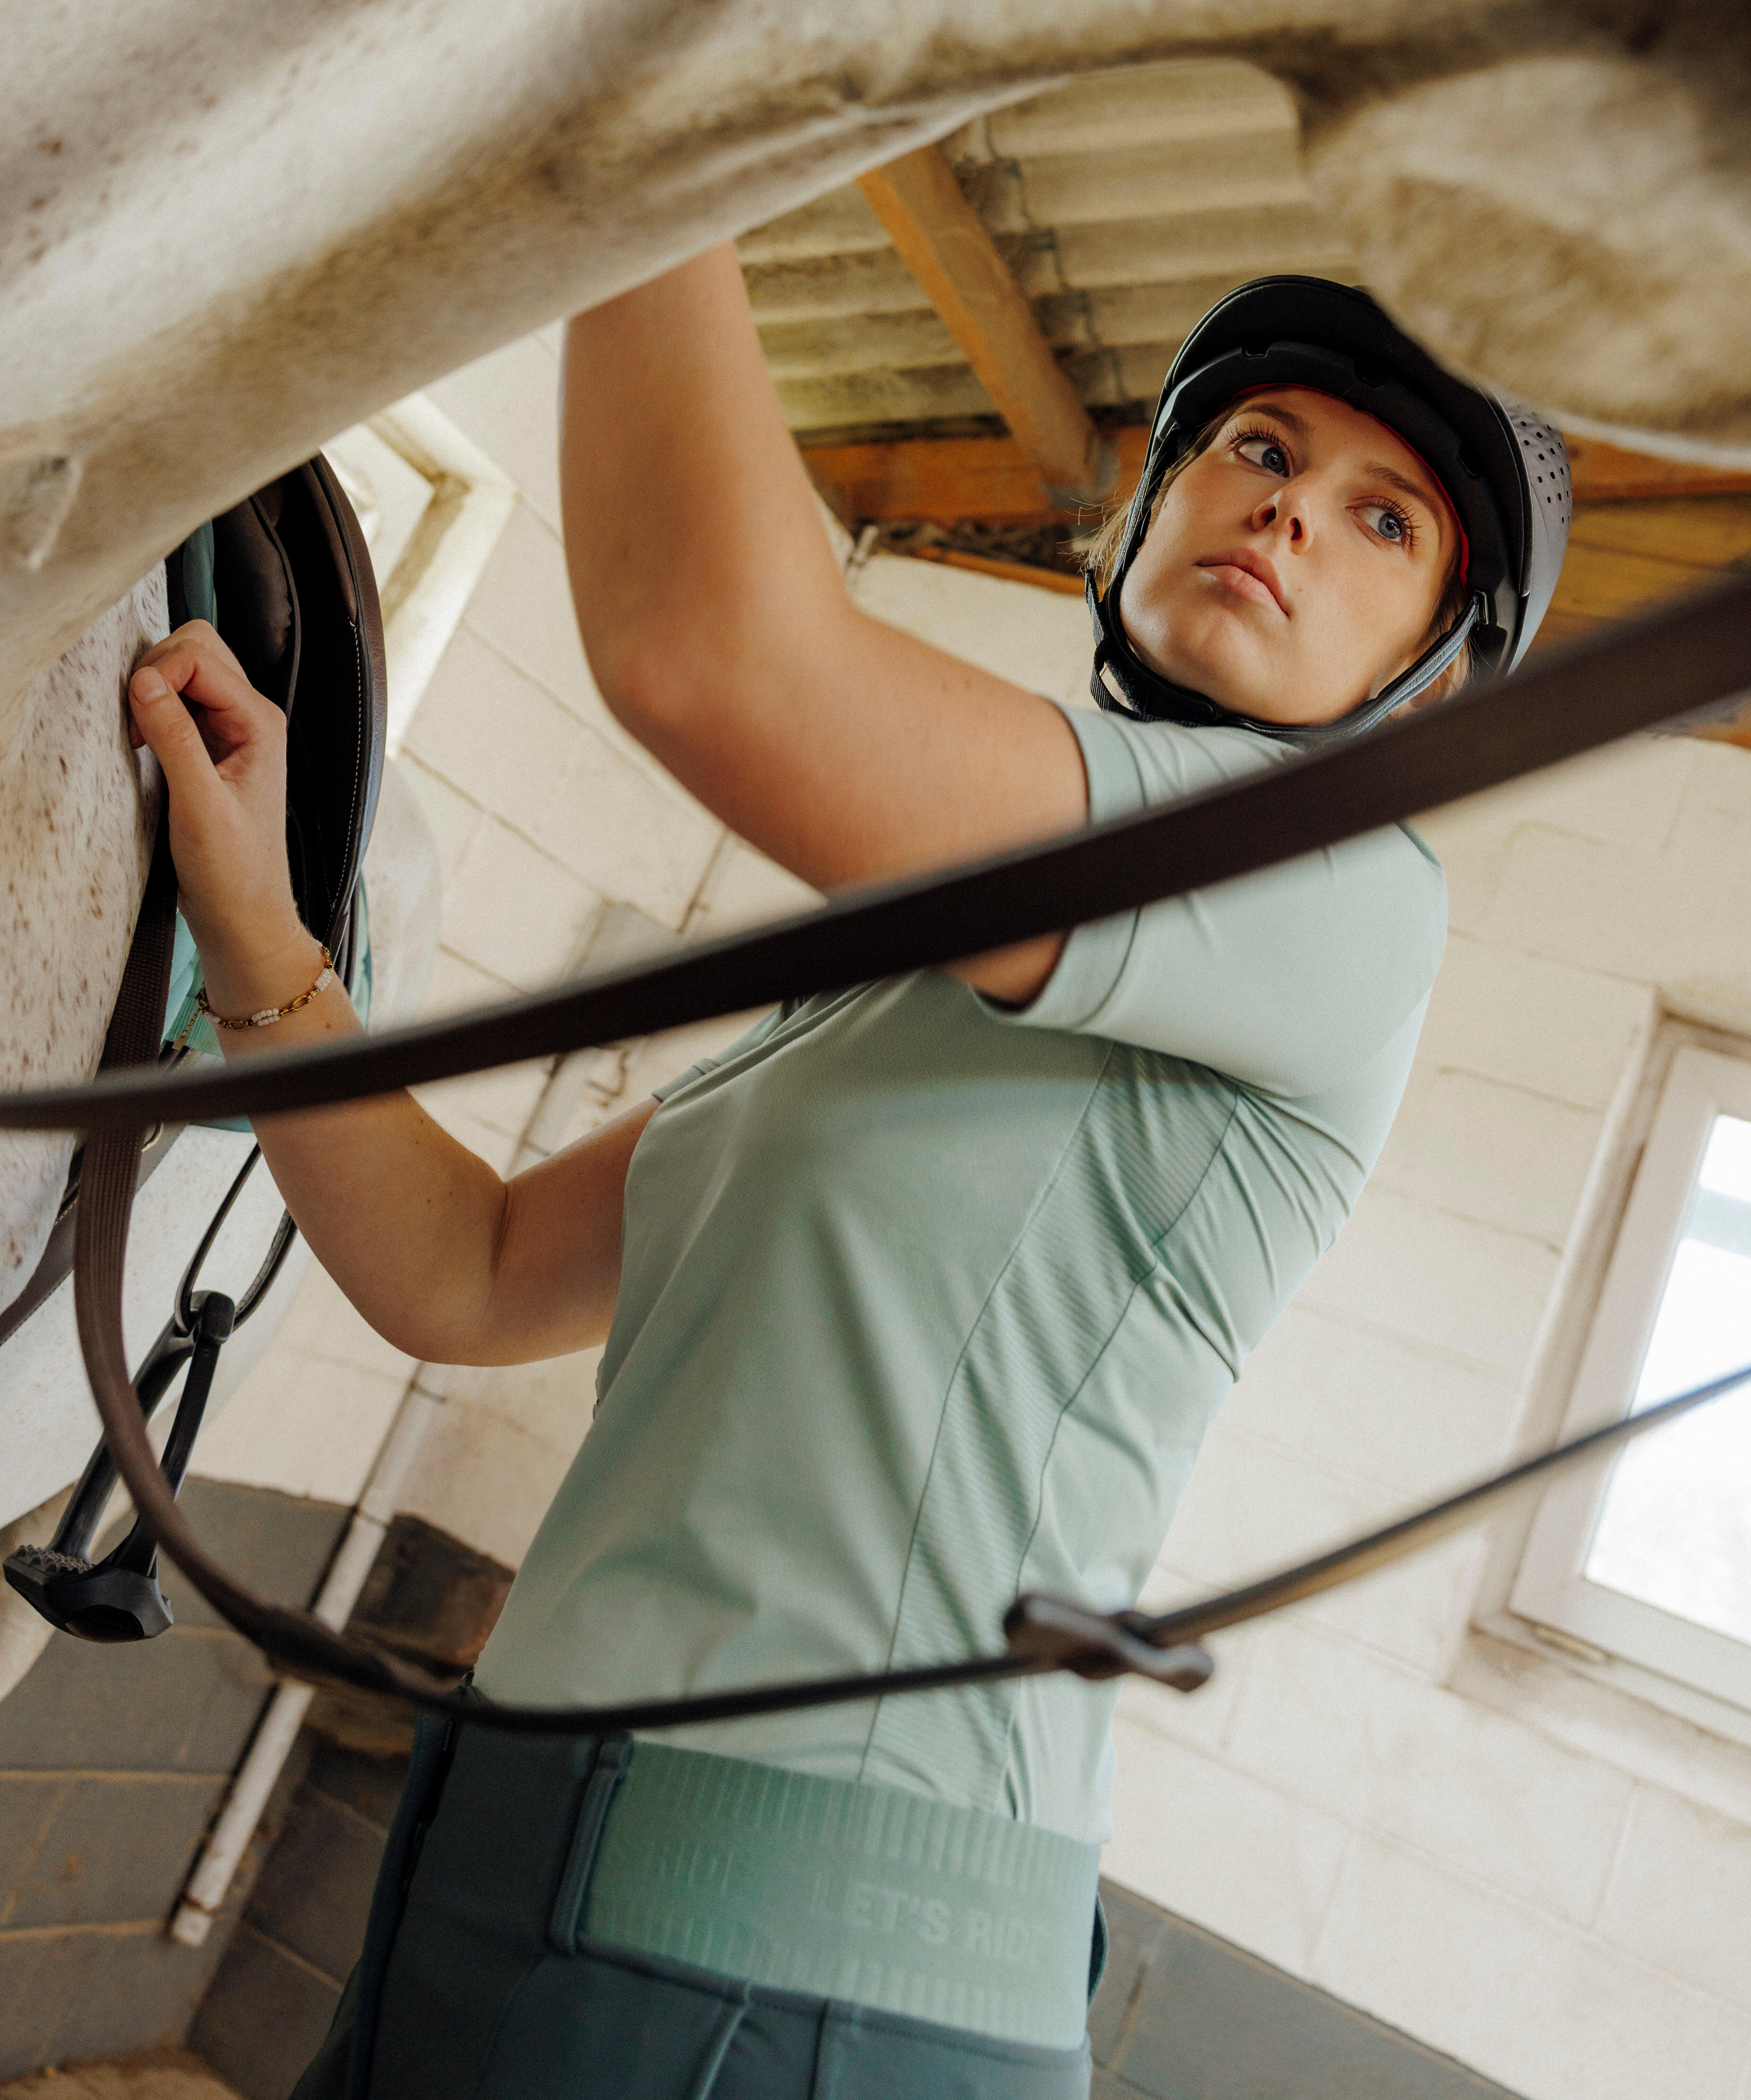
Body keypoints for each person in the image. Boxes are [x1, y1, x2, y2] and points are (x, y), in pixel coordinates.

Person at [125, 261, 1568, 2100]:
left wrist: (663, 154)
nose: (1288, 502)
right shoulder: (896, 987)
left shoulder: (1348, 897)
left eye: (1384, 520)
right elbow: (469, 1276)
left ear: (1429, 673)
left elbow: (715, 658)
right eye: (1255, 447)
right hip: (503, 1868)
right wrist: (258, 927)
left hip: (786, 1968)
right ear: (1139, 526)